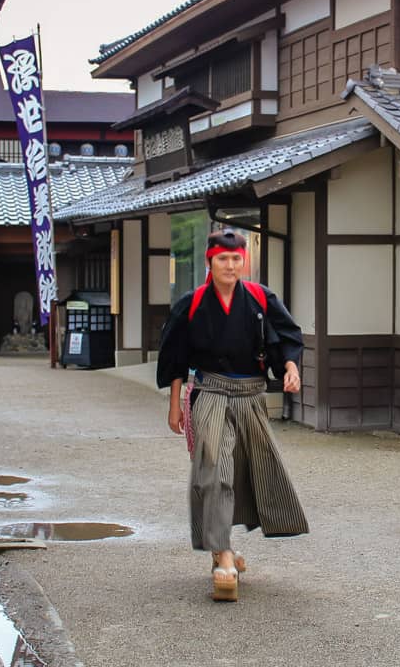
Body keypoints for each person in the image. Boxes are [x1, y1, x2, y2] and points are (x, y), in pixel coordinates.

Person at [157, 228, 308, 602]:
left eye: (235, 258)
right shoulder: (191, 304)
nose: (229, 265)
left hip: (251, 395)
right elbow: (175, 357)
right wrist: (175, 404)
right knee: (214, 468)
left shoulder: (260, 299)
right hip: (210, 391)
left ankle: (220, 546)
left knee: (247, 470)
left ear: (244, 260)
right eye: (222, 258)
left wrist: (291, 367)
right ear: (210, 260)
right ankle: (224, 557)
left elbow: (287, 336)